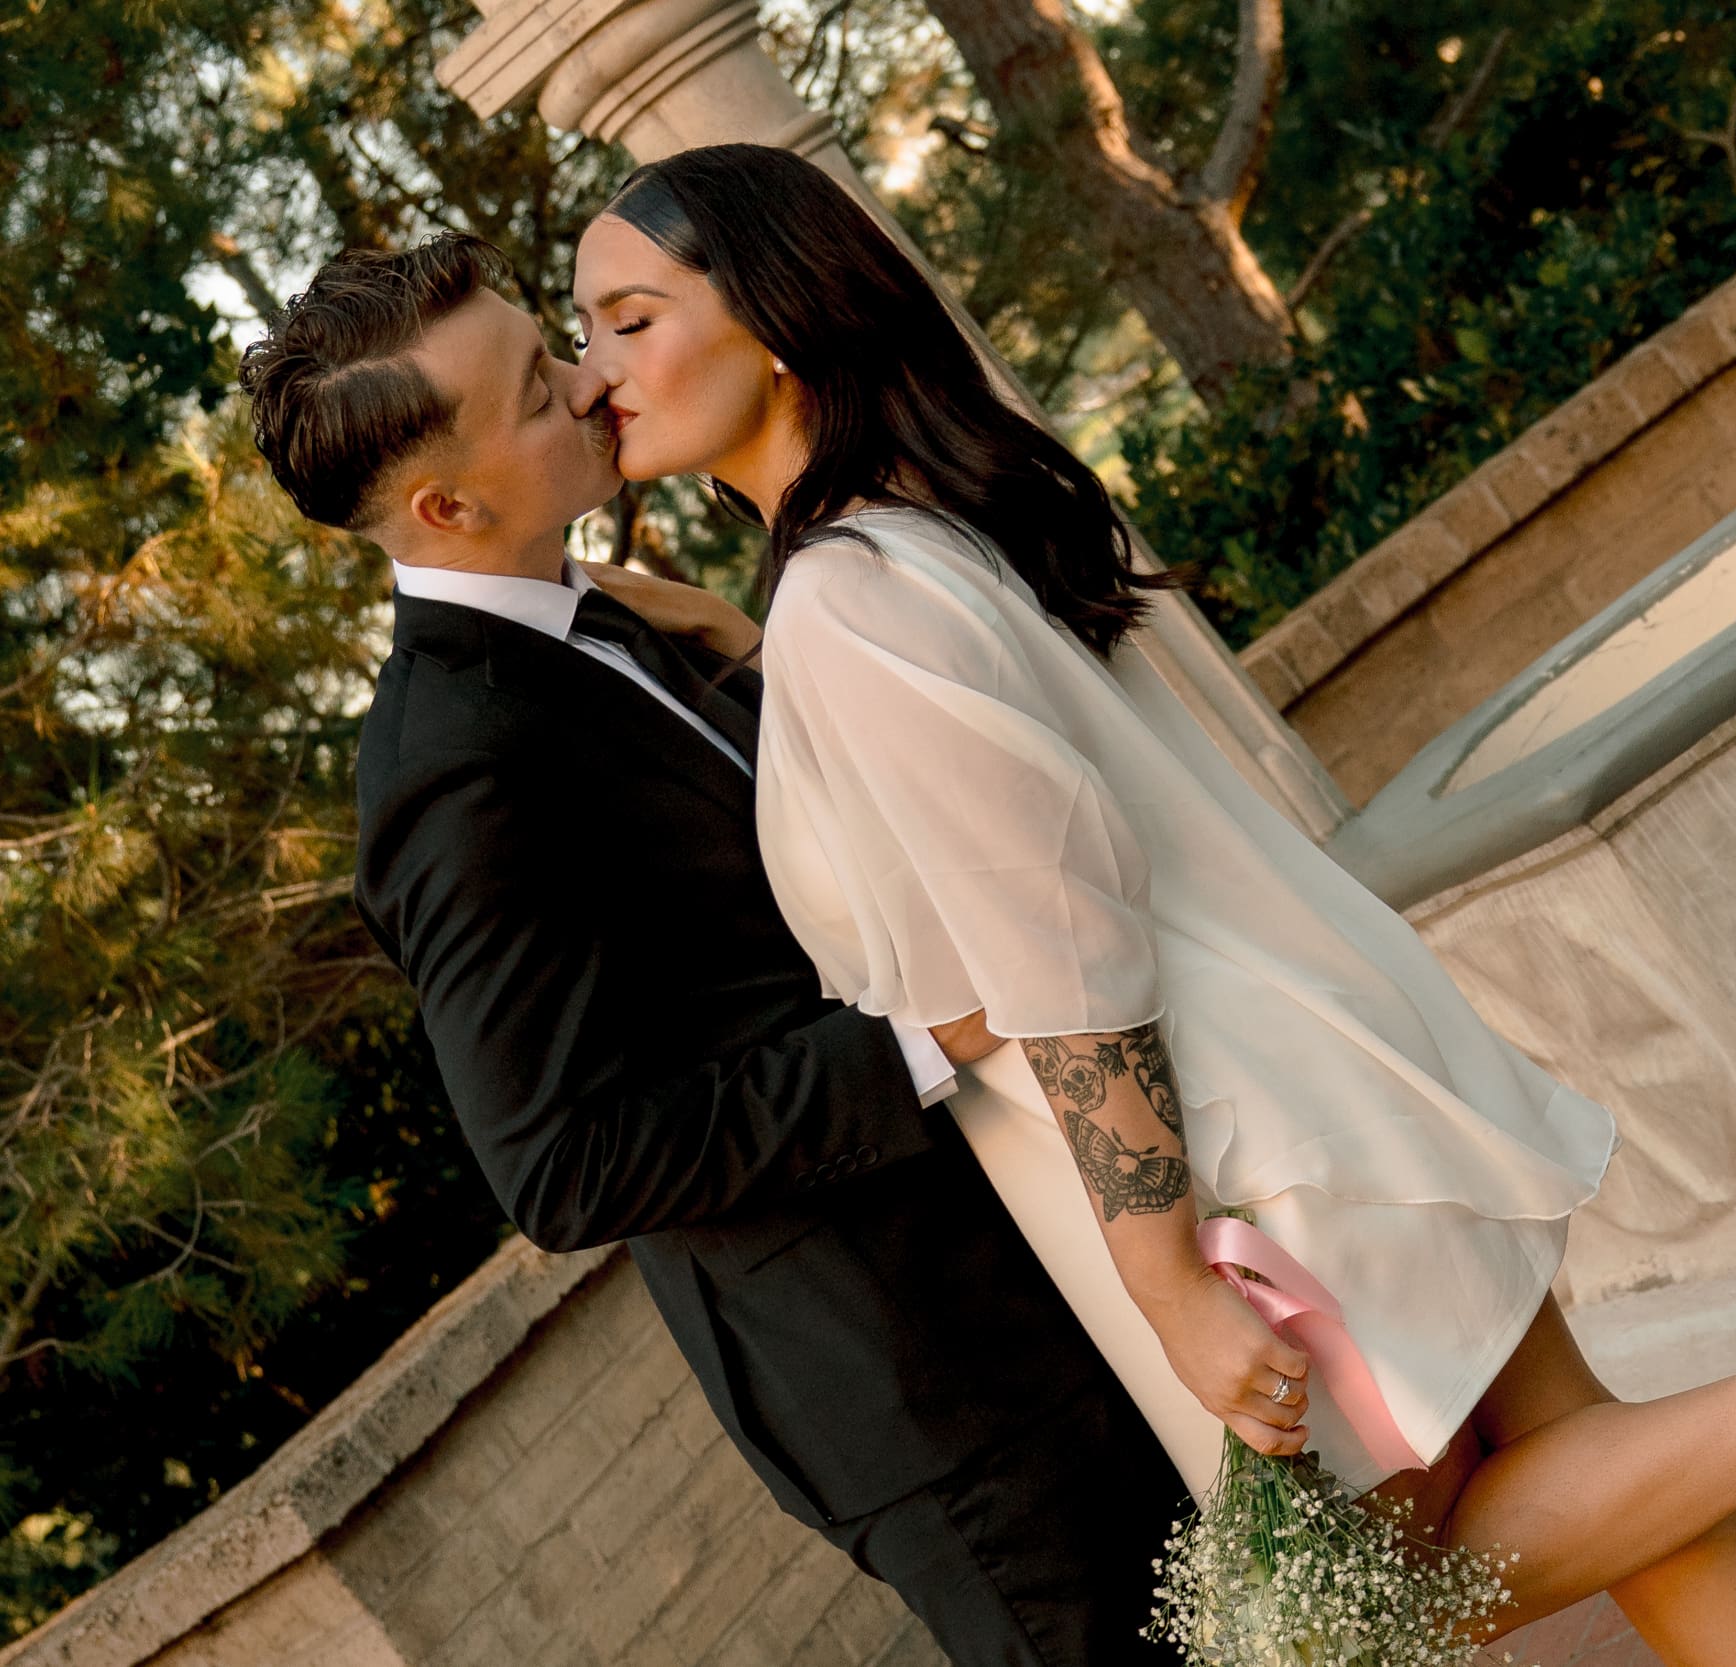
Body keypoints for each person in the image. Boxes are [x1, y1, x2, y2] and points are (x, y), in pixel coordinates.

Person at [568, 140, 1736, 1662]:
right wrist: (731, 634)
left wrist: (1169, 1288)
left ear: (777, 322)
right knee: (1616, 1483)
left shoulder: (855, 602)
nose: (594, 373)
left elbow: (1065, 959)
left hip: (1239, 1166)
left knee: (1368, 1607)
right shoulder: (939, 531)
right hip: (1320, 1073)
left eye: (630, 320)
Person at [238, 234, 1199, 1666]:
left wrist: (746, 650)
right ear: (445, 505)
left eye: (557, 346)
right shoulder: (453, 768)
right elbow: (564, 1165)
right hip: (925, 1371)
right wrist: (927, 1039)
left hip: (1031, 1253)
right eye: (539, 386)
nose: (590, 381)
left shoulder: (612, 619)